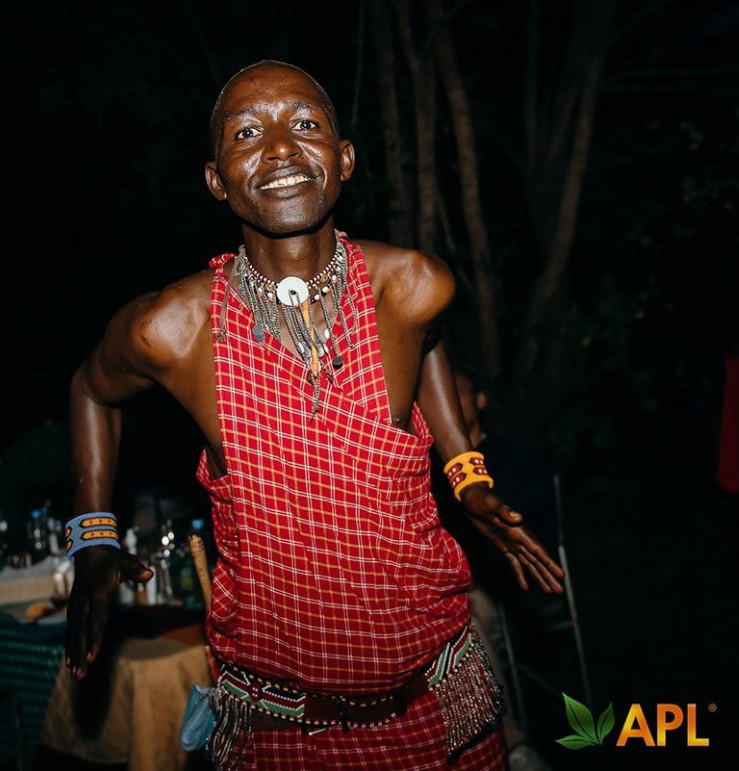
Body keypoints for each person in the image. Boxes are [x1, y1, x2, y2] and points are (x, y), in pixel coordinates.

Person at [64, 60, 564, 770]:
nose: (278, 147)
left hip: (440, 704)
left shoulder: (412, 284)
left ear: (344, 158)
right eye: (246, 133)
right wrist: (92, 538)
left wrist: (466, 473)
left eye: (304, 124)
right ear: (215, 179)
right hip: (283, 731)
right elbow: (90, 390)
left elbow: (426, 343)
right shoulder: (173, 329)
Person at [428, 367, 559, 771]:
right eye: (442, 390)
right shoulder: (429, 470)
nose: (450, 397)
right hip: (454, 589)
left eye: (459, 389)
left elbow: (537, 534)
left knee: (462, 612)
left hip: (516, 591)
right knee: (452, 609)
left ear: (481, 399)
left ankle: (509, 743)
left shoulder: (517, 458)